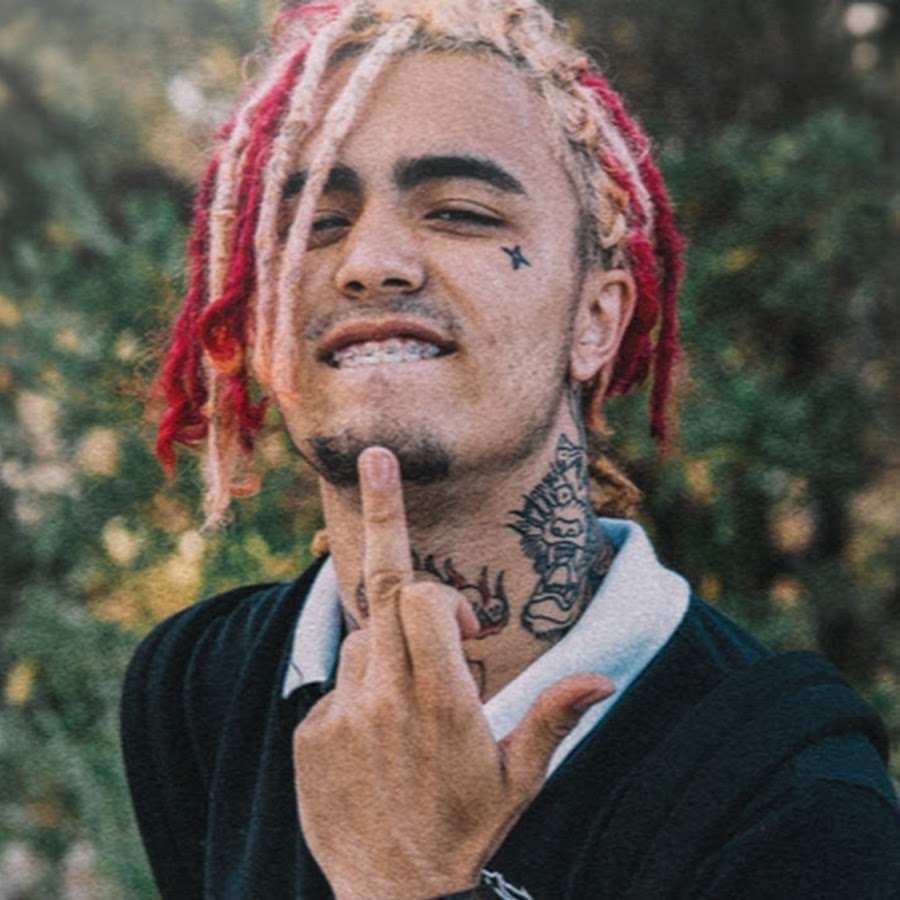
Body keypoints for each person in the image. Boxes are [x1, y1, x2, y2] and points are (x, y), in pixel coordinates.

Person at [120, 1, 900, 897]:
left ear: (596, 320)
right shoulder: (199, 686)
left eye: (458, 212)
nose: (369, 261)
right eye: (316, 223)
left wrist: (412, 884)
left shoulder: (794, 796)